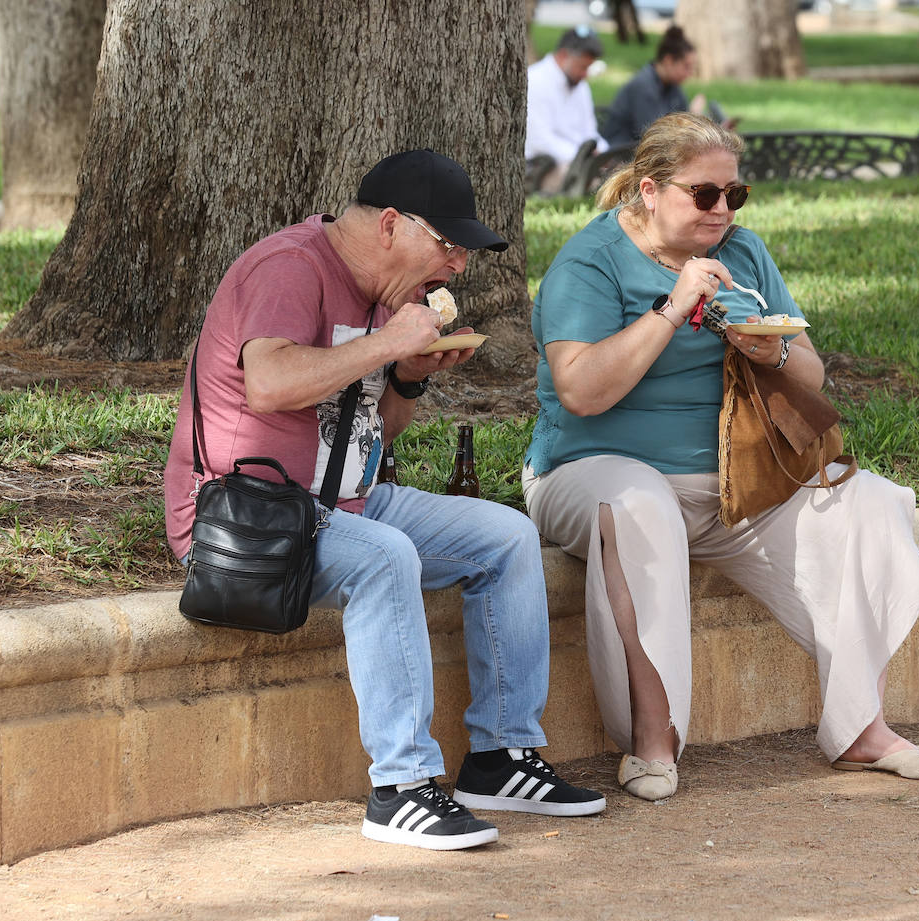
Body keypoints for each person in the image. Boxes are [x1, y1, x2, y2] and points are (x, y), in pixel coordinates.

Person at [163, 149, 605, 852]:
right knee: (384, 557)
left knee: (506, 537)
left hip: (342, 505)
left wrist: (407, 374)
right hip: (242, 517)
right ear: (392, 225)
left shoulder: (385, 294)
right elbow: (270, 384)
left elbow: (377, 430)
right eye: (449, 243)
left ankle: (500, 757)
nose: (459, 263)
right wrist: (385, 343)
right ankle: (400, 787)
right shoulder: (291, 268)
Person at [522, 113, 919, 803]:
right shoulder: (590, 261)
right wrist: (673, 308)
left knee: (871, 503)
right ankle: (652, 741)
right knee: (641, 505)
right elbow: (580, 390)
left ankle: (861, 729)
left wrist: (774, 350)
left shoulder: (747, 255)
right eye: (705, 195)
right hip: (591, 469)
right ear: (648, 190)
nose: (723, 210)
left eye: (735, 195)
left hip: (737, 482)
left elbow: (810, 371)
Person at [600, 25, 733, 150]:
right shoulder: (642, 87)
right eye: (686, 66)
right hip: (621, 155)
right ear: (668, 61)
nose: (690, 73)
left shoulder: (673, 87)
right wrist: (693, 119)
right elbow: (654, 138)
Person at [526, 25, 610, 194]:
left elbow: (589, 130)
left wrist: (601, 152)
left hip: (578, 158)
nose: (585, 74)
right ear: (564, 56)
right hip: (546, 164)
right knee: (598, 183)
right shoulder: (536, 81)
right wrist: (584, 159)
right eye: (582, 67)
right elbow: (540, 142)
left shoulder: (579, 84)